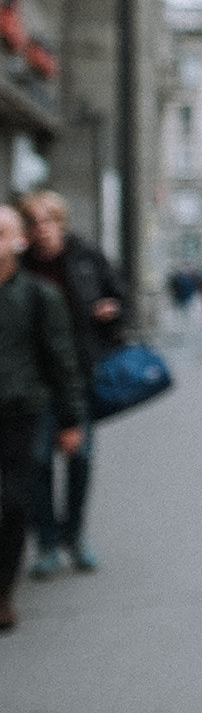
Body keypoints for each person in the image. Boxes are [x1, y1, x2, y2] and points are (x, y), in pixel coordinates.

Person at [17, 190, 126, 577]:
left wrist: (109, 311)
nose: (41, 230)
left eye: (48, 221)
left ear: (60, 223)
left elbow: (119, 295)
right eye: (33, 223)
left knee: (78, 457)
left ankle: (74, 535)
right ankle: (47, 543)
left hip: (79, 374)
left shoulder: (84, 256)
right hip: (32, 380)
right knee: (38, 463)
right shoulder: (19, 266)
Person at [0, 204, 87, 632]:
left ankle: (4, 591)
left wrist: (72, 419)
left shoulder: (39, 295)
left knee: (14, 502)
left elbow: (61, 359)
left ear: (18, 241)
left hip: (20, 411)